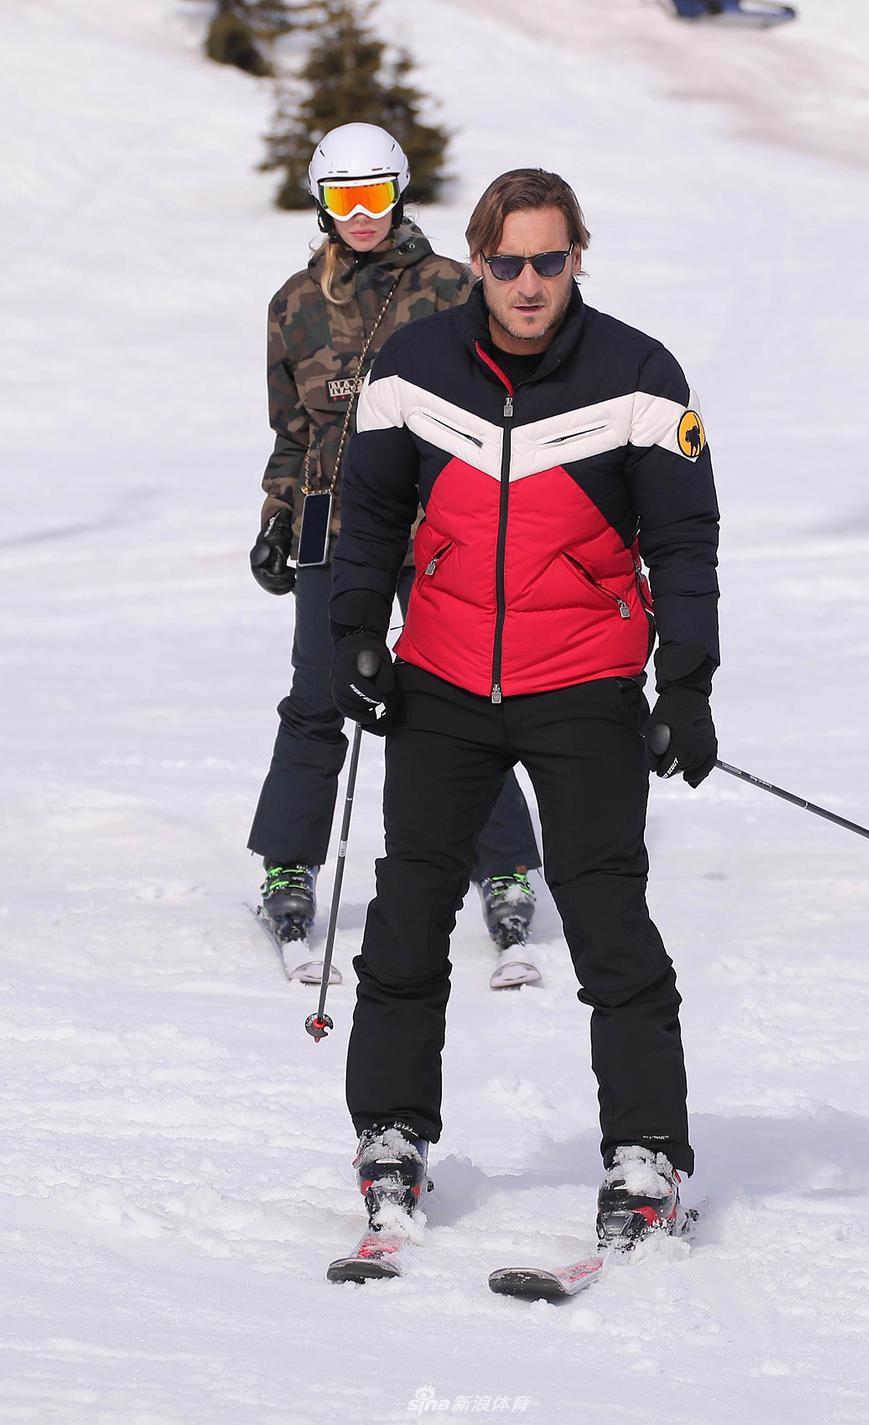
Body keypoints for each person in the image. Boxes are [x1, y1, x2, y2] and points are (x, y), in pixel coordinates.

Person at [328, 168, 720, 1249]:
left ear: (577, 256)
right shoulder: (412, 367)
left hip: (583, 685)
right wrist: (356, 631)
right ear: (478, 262)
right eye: (508, 263)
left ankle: (645, 1154)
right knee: (408, 919)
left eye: (550, 260)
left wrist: (686, 684)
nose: (529, 283)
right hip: (442, 683)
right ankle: (390, 1138)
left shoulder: (638, 375)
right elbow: (370, 509)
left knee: (608, 923)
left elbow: (683, 540)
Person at [247, 124, 541, 974]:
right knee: (317, 694)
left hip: (438, 528)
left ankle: (504, 864)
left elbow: (502, 403)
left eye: (375, 194)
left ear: (401, 192)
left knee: (462, 692)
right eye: (344, 198)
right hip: (334, 527)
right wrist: (276, 516)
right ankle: (288, 861)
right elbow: (293, 432)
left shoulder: (451, 287)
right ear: (322, 203)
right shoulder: (294, 305)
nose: (362, 214)